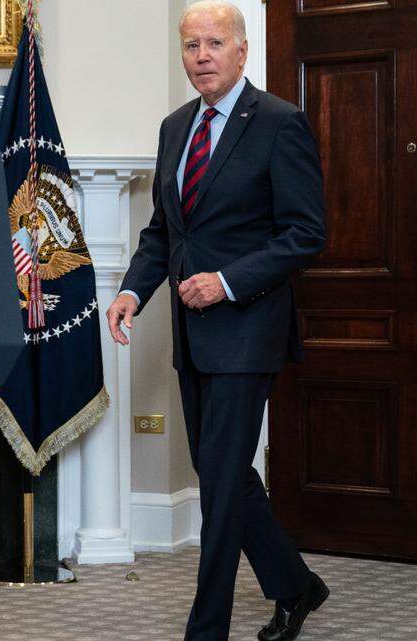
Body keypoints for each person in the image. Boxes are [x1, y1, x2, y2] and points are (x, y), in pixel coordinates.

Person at [105, 2, 328, 640]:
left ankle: (206, 631)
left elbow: (306, 233)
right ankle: (295, 585)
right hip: (190, 334)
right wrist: (131, 291)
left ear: (242, 51)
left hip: (248, 329)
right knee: (220, 470)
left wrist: (229, 282)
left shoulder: (281, 124)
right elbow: (162, 232)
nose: (201, 55)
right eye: (191, 44)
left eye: (214, 43)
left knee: (220, 486)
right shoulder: (176, 126)